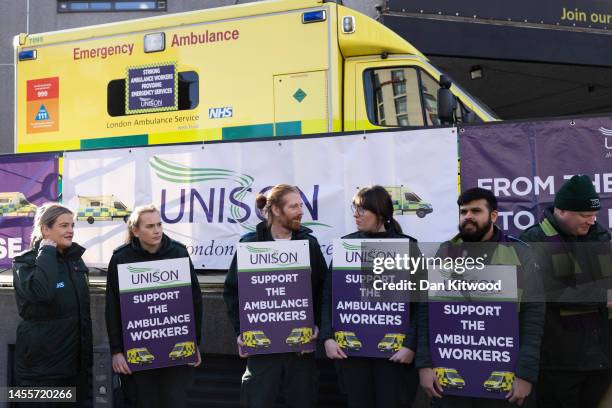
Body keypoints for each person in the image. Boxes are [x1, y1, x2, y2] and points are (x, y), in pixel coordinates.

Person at [416, 187, 545, 407]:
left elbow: (534, 317)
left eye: (476, 211)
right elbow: (426, 311)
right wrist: (424, 365)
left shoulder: (520, 252)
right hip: (449, 375)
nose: (468, 216)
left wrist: (526, 374)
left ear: (493, 215)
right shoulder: (445, 252)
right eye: (463, 211)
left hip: (504, 377)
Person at [223, 184, 327, 408]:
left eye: (301, 205)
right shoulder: (250, 244)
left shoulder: (309, 244)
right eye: (293, 206)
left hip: (301, 348)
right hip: (262, 349)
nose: (300, 211)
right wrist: (241, 331)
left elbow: (322, 290)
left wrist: (318, 326)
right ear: (276, 210)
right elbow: (232, 291)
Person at [320, 185, 420, 408]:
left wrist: (410, 345)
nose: (356, 215)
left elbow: (421, 304)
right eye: (354, 209)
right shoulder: (347, 245)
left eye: (362, 210)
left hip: (395, 354)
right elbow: (329, 295)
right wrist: (327, 337)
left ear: (381, 212)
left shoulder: (408, 247)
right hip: (352, 354)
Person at [519, 175, 611, 408]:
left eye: (594, 215)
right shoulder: (533, 240)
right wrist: (603, 297)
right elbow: (546, 292)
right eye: (584, 215)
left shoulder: (601, 237)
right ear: (561, 211)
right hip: (558, 364)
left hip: (602, 360)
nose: (591, 221)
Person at [105, 204, 203, 408]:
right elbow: (112, 308)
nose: (157, 230)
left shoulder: (178, 252)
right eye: (150, 226)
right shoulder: (121, 258)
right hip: (138, 351)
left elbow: (194, 300)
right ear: (135, 230)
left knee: (175, 402)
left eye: (159, 224)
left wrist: (194, 343)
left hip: (176, 350)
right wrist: (116, 351)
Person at [13, 203, 93, 407]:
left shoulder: (75, 261)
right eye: (64, 225)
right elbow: (42, 293)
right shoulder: (24, 263)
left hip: (75, 371)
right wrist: (47, 251)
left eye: (72, 225)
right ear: (45, 229)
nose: (71, 231)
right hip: (39, 375)